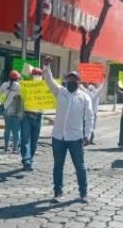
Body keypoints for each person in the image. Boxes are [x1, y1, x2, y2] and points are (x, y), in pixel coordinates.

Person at [43, 59, 93, 203]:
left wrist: (87, 135)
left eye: (74, 79)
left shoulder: (85, 98)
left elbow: (90, 118)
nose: (71, 81)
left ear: (79, 81)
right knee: (58, 166)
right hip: (58, 137)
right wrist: (47, 66)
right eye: (69, 79)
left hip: (76, 138)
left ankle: (83, 192)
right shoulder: (60, 92)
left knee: (80, 166)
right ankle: (58, 192)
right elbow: (49, 80)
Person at [20, 67, 44, 169]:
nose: (37, 76)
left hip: (39, 117)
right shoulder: (25, 85)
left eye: (39, 74)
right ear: (31, 75)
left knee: (34, 142)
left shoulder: (45, 87)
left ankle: (30, 158)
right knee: (25, 139)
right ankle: (26, 160)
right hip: (27, 116)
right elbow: (20, 96)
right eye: (35, 74)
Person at [0, 70, 22, 153]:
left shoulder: (4, 85)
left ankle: (6, 147)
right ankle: (15, 148)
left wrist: (0, 103)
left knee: (7, 129)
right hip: (17, 110)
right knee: (16, 130)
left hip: (6, 110)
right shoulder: (20, 85)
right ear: (17, 78)